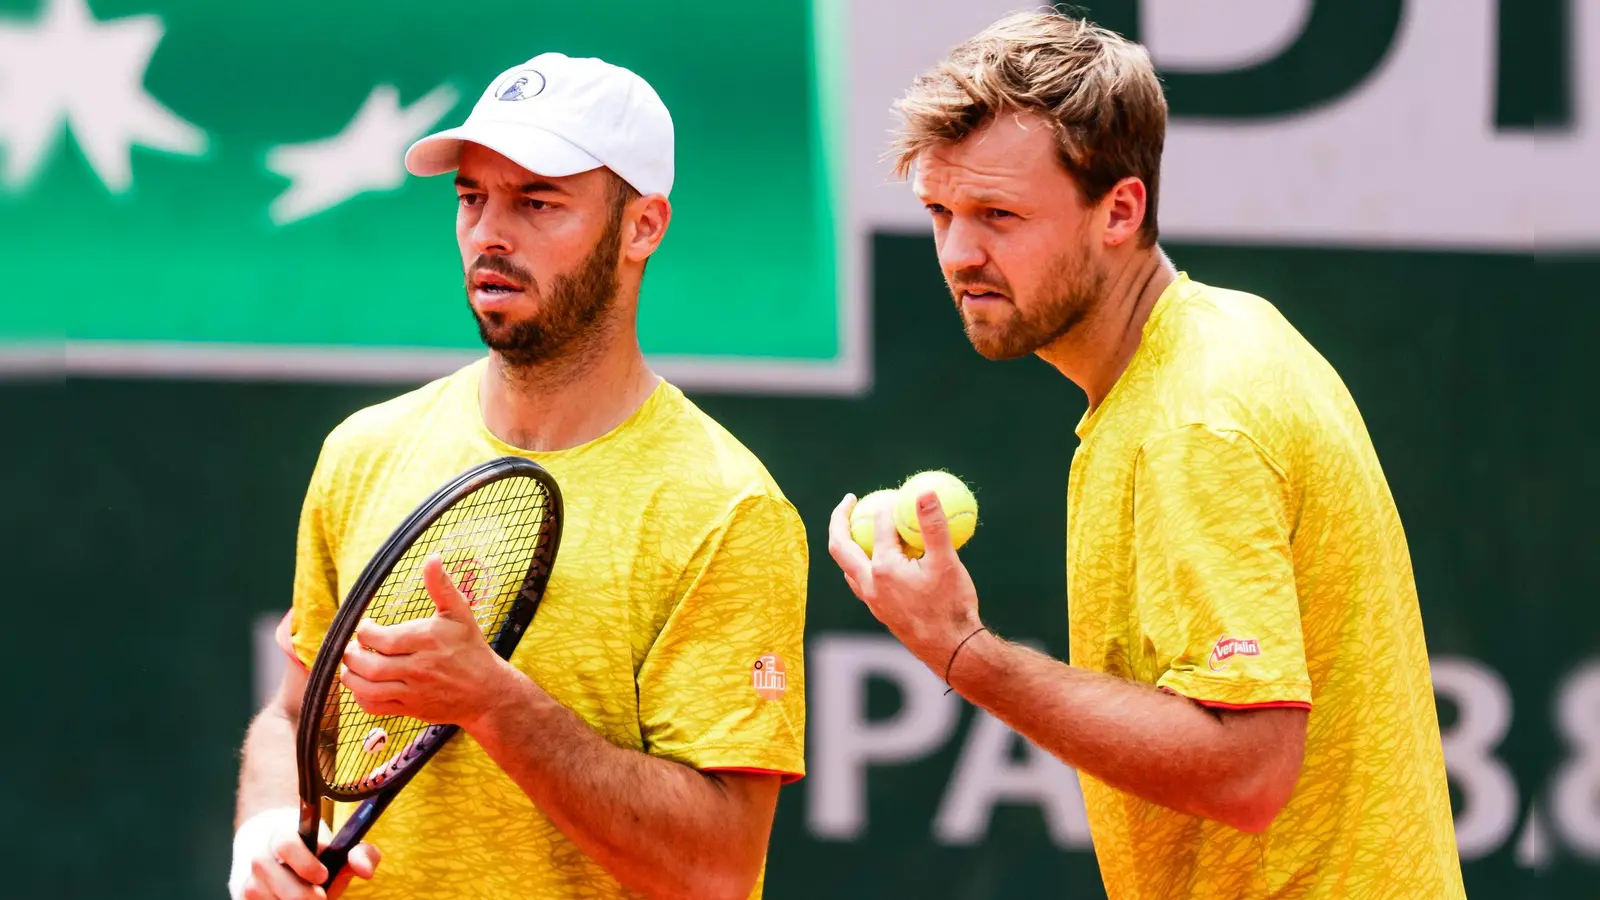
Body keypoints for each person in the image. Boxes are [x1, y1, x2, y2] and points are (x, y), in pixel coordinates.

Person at [826, 12, 1465, 900]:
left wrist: (963, 649)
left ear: (1120, 210)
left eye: (999, 216)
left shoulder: (1193, 423)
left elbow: (1248, 771)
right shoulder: (1220, 339)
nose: (958, 253)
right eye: (941, 211)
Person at [229, 52, 808, 900]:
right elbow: (292, 716)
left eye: (538, 202)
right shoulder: (364, 451)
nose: (491, 234)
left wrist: (495, 704)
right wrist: (269, 824)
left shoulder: (727, 507)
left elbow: (716, 866)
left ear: (642, 227)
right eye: (472, 199)